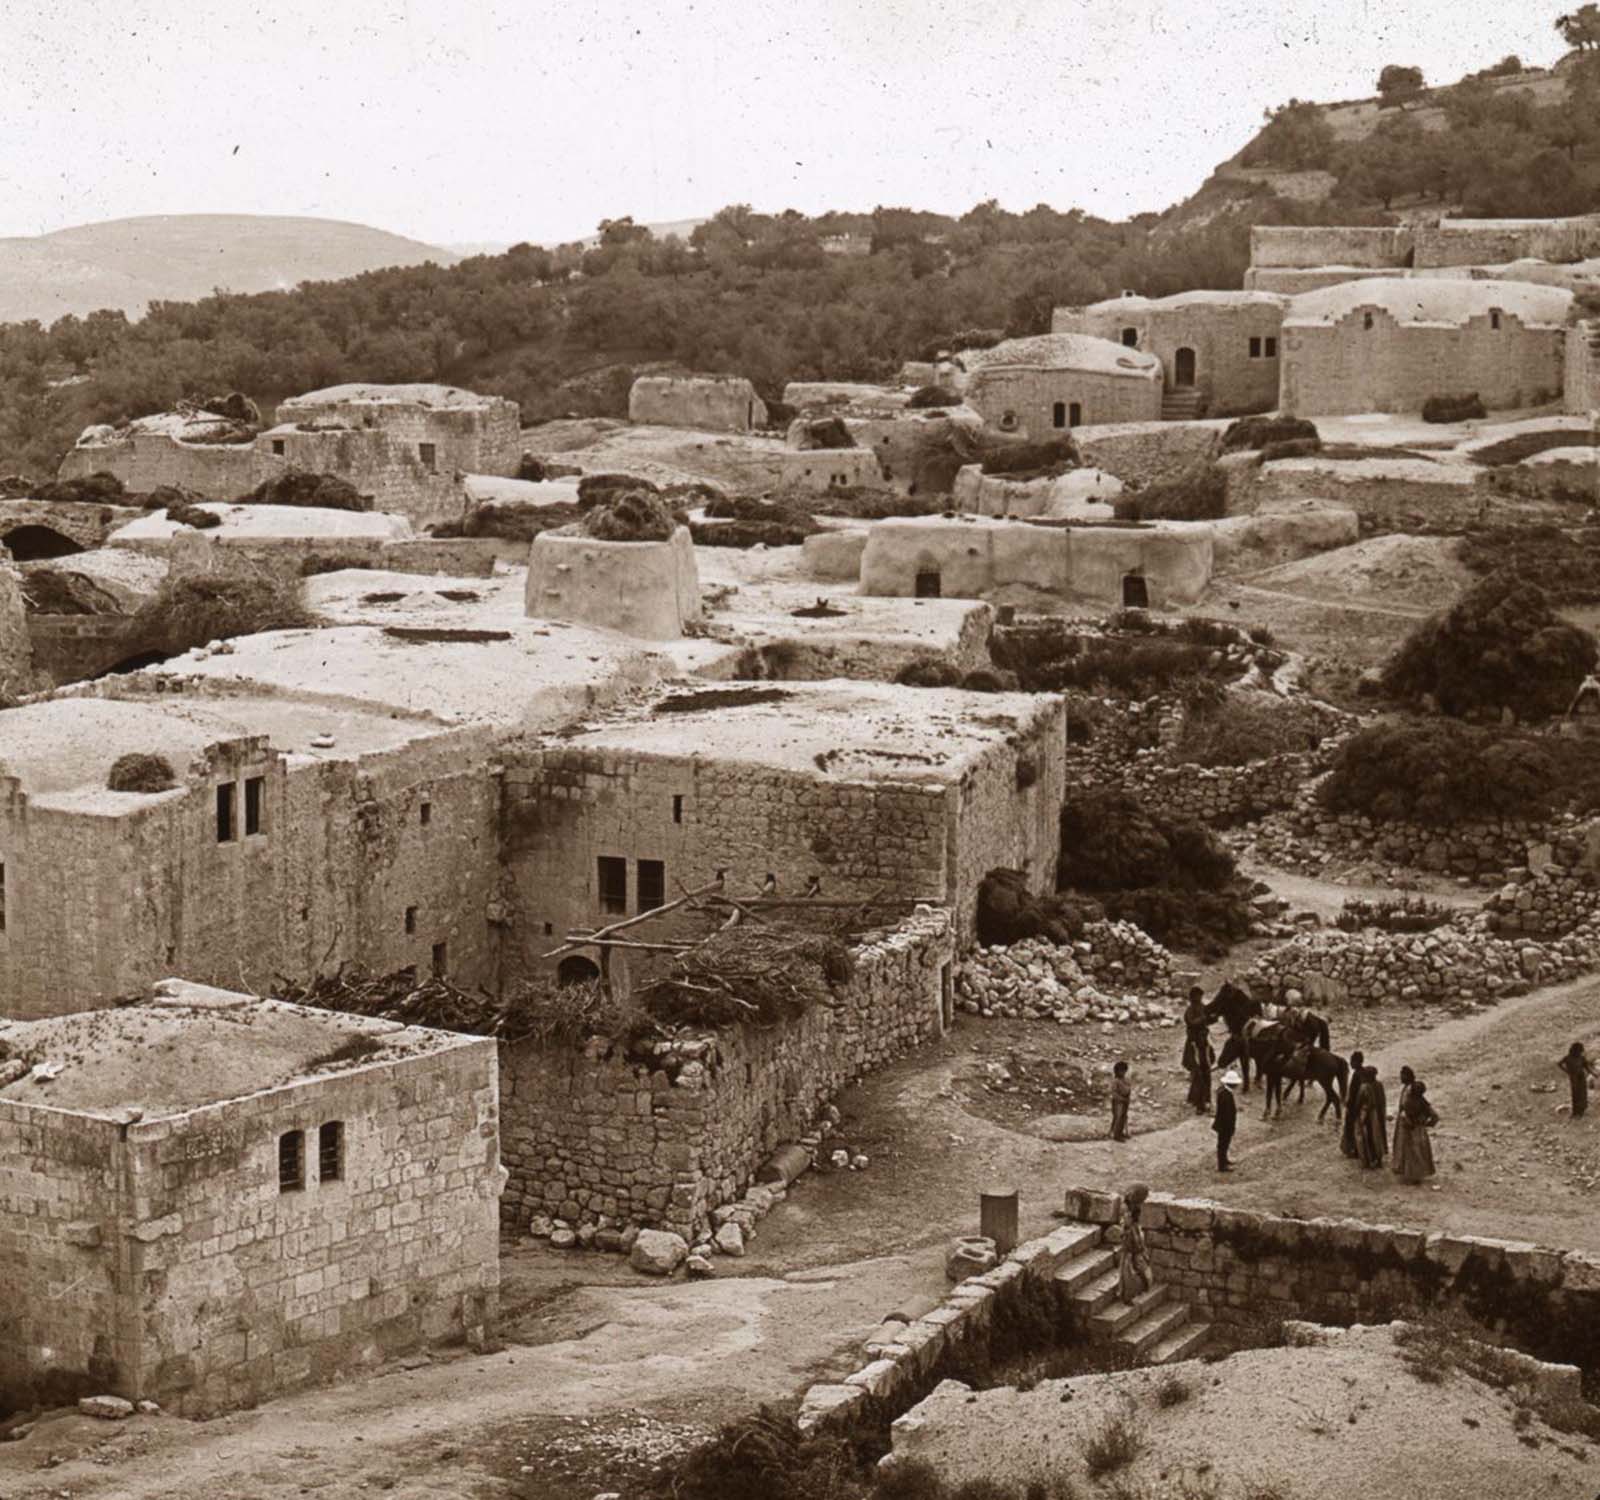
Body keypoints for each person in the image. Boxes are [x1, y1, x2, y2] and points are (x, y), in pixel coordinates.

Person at [1395, 1080, 1439, 1185]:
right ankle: (1419, 1175)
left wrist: (1408, 1124)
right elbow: (1435, 1116)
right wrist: (1428, 1124)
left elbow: (1404, 1117)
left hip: (1410, 1131)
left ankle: (1412, 1176)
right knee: (1421, 1152)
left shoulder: (1408, 1102)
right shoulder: (1423, 1102)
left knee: (1411, 1154)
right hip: (1421, 1130)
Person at [1117, 1182, 1152, 1304]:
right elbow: (1126, 1229)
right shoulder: (1126, 1210)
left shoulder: (1135, 1208)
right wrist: (1134, 1243)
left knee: (1139, 1270)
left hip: (1136, 1242)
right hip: (1129, 1244)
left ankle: (1131, 1293)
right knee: (1128, 1271)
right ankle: (1126, 1295)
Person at [1182, 987, 1214, 1114]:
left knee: (1206, 1073)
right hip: (1194, 1045)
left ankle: (1204, 1100)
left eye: (1200, 996)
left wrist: (1214, 1016)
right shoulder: (1189, 1010)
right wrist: (1205, 1018)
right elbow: (1192, 1022)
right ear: (1192, 997)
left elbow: (1209, 1021)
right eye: (1197, 996)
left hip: (1204, 1044)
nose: (1199, 998)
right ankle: (1200, 1105)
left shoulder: (1203, 1007)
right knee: (1199, 1074)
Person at [1356, 1065, 1388, 1170]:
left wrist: (1359, 1114)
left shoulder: (1364, 1087)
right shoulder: (1379, 1085)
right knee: (1378, 1136)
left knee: (1367, 1137)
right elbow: (1382, 1101)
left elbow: (1359, 1102)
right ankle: (1379, 1159)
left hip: (1368, 1115)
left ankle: (1369, 1160)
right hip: (1378, 1114)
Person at [1558, 1042, 1596, 1119]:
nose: (1580, 1053)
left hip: (1581, 1077)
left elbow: (1586, 1066)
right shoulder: (1568, 1058)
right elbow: (1559, 1064)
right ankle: (1575, 1112)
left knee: (1583, 1093)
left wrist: (1593, 1073)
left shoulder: (1581, 1058)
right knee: (1575, 1094)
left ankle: (1581, 1111)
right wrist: (1567, 1071)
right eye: (1579, 1051)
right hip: (1574, 1077)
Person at [1340, 1050, 1366, 1159]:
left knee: (1352, 1128)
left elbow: (1355, 1092)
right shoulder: (1363, 1072)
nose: (1351, 1063)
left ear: (1357, 1062)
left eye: (1352, 1061)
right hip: (1359, 1105)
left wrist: (1350, 1105)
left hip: (1354, 1106)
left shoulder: (1357, 1075)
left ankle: (1354, 1149)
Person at [1391, 1065, 1416, 1167]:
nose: (1401, 1078)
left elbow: (1408, 1104)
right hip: (1403, 1116)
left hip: (1406, 1117)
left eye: (1402, 1076)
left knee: (1404, 1141)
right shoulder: (1407, 1087)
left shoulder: (1410, 1089)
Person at [1214, 1071, 1239, 1172]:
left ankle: (1224, 1160)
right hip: (1225, 1126)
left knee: (1224, 1144)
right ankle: (1222, 1165)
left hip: (1222, 1124)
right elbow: (1227, 1114)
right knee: (1223, 1145)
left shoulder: (1223, 1091)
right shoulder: (1226, 1095)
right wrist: (1231, 1127)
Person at [1109, 1060, 1132, 1142]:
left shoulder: (1125, 1080)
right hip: (1118, 1102)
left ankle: (1120, 1132)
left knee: (1123, 1117)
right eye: (1121, 1071)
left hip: (1125, 1101)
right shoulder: (1116, 1081)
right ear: (1117, 1071)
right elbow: (1114, 1093)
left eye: (1124, 1071)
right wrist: (1122, 1099)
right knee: (1118, 1118)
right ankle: (1116, 1135)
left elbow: (1128, 1089)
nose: (1123, 1072)